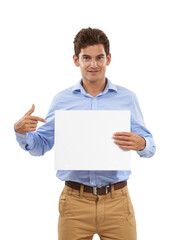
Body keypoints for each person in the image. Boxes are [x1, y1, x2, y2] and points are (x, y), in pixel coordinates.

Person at [14, 27, 156, 240]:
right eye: (86, 58)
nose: (93, 64)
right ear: (76, 59)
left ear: (108, 59)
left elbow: (151, 147)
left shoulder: (127, 98)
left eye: (99, 57)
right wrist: (21, 133)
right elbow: (41, 145)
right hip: (74, 204)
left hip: (117, 203)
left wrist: (142, 143)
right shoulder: (62, 100)